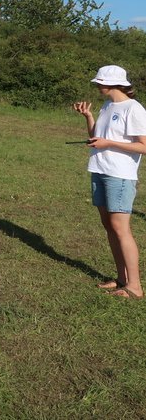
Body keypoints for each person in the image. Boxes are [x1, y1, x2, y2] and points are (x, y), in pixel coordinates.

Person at [72, 65, 146, 299]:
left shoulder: (133, 109)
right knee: (109, 226)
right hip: (100, 170)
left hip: (120, 175)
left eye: (101, 82)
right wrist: (89, 117)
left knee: (121, 229)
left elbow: (144, 146)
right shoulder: (107, 105)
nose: (97, 85)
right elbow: (98, 136)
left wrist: (109, 144)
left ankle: (135, 287)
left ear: (116, 83)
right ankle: (122, 278)